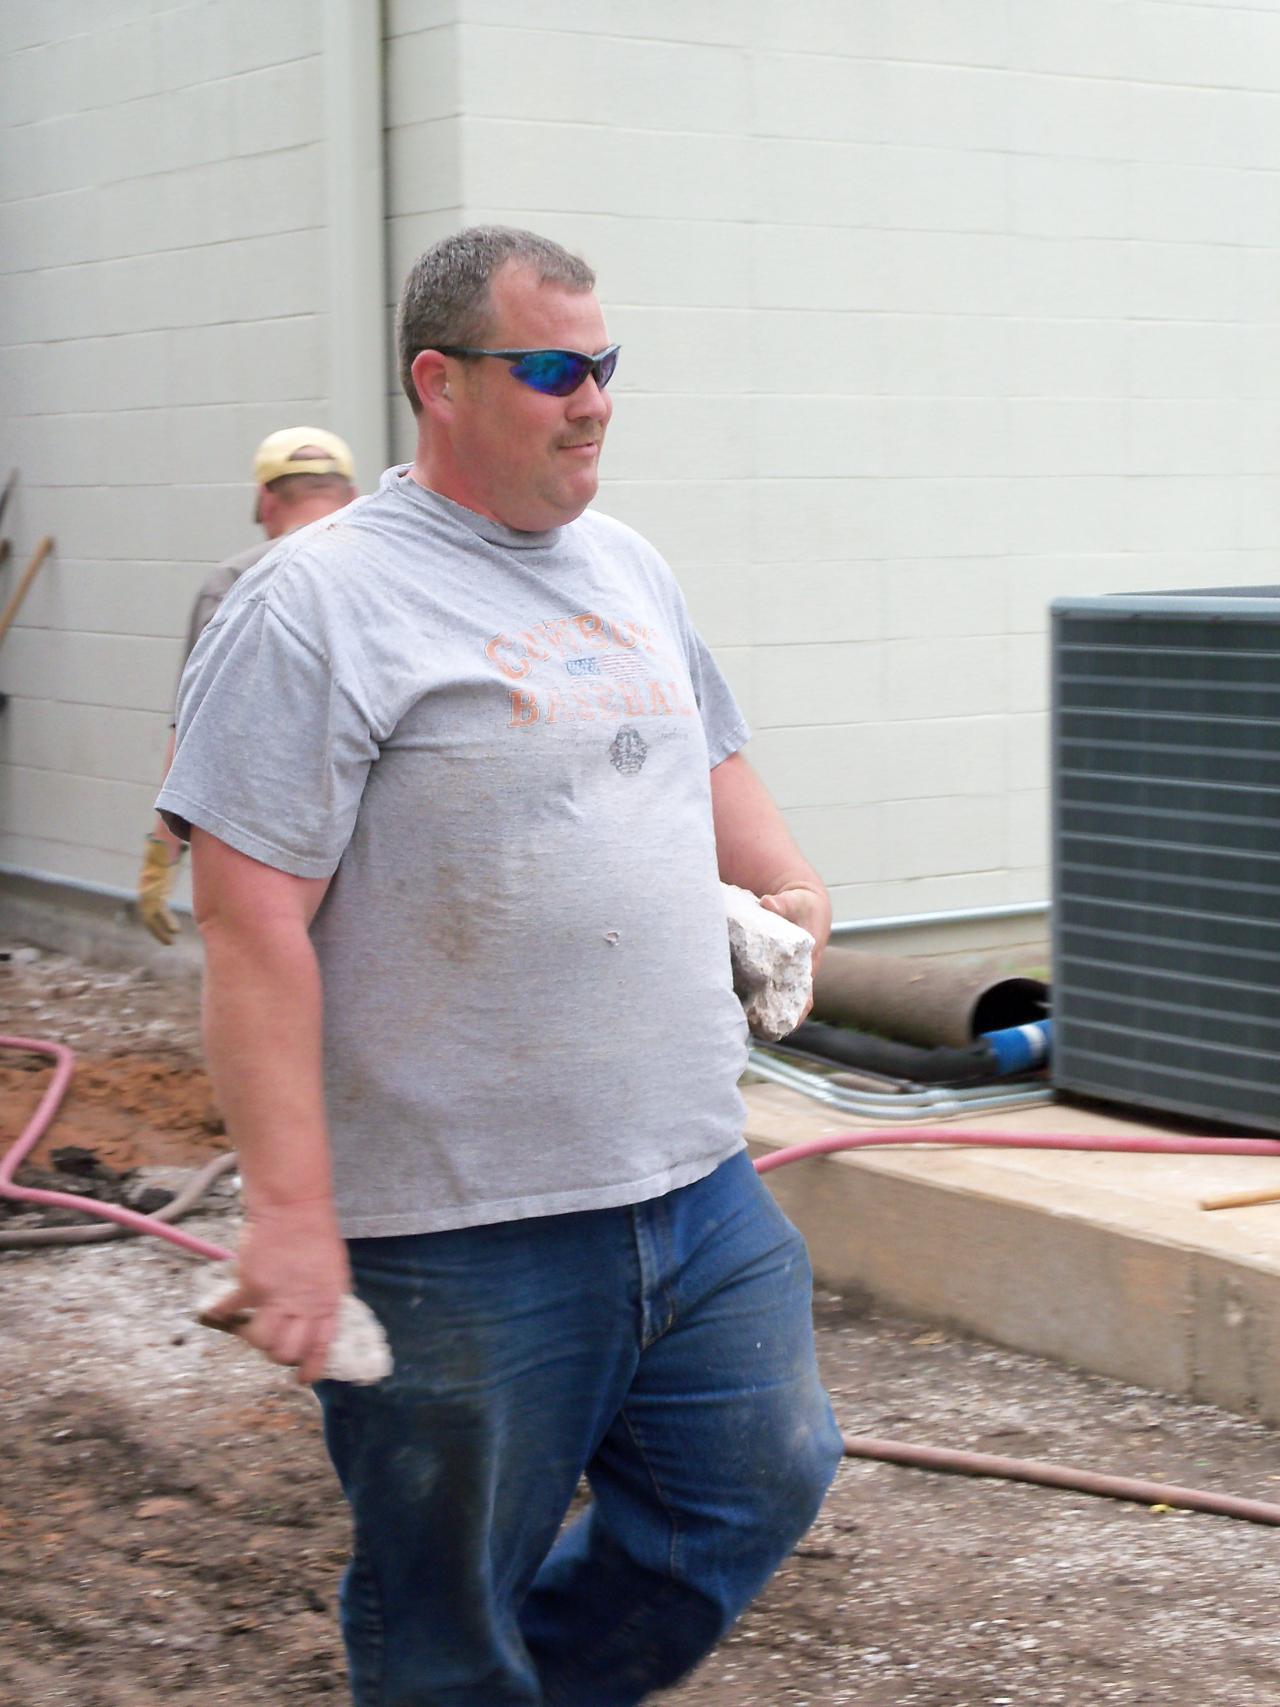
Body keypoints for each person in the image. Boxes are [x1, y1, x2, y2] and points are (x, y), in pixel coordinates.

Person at [158, 226, 843, 1706]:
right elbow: (247, 921)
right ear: (440, 381)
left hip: (689, 1183)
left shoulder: (630, 566)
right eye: (550, 369)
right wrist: (290, 1211)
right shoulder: (319, 602)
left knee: (754, 1480)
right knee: (446, 1601)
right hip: (459, 1229)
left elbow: (714, 768)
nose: (592, 400)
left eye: (603, 365)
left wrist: (787, 891)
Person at [135, 427, 357, 943]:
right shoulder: (399, 570)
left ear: (265, 500)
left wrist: (160, 856)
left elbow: (195, 739)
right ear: (351, 495)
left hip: (271, 851)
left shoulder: (236, 581)